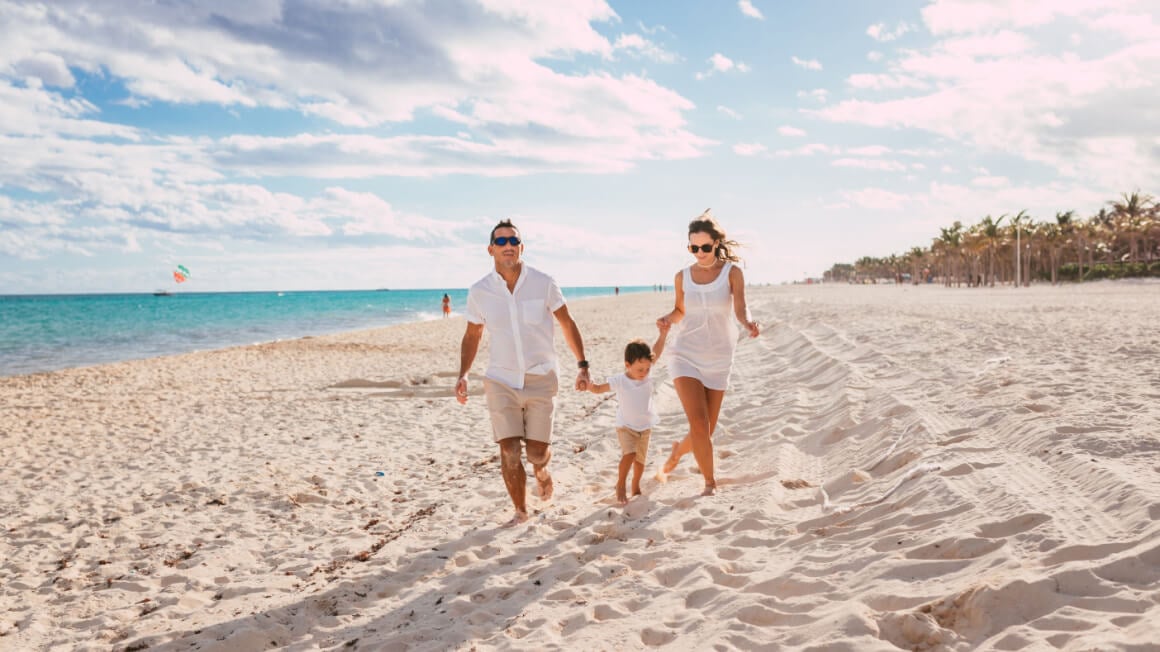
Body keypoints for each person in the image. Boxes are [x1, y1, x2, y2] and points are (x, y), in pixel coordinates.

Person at [456, 219, 591, 526]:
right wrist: (463, 374)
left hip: (541, 377)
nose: (508, 247)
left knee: (537, 453)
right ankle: (521, 510)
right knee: (509, 450)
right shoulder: (479, 291)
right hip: (500, 379)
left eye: (513, 241)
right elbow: (472, 335)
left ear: (521, 247)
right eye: (501, 242)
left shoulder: (543, 282)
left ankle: (542, 472)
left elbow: (567, 323)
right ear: (490, 249)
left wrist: (583, 365)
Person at [656, 209, 760, 496]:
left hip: (719, 357)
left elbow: (740, 308)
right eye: (693, 247)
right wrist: (667, 318)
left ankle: (677, 452)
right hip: (685, 354)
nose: (699, 253)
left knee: (706, 430)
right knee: (699, 424)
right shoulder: (682, 276)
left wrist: (749, 323)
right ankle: (709, 483)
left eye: (704, 247)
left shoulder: (732, 273)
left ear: (716, 243)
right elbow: (680, 310)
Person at [587, 323, 670, 505]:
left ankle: (635, 484)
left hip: (645, 426)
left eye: (647, 369)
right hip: (626, 426)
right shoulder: (620, 380)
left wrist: (663, 334)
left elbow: (657, 351)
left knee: (640, 461)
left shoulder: (646, 374)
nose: (645, 372)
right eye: (640, 369)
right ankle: (620, 483)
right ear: (627, 365)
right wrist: (590, 386)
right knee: (630, 454)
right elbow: (600, 388)